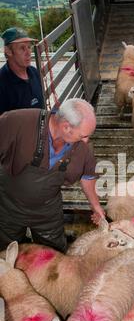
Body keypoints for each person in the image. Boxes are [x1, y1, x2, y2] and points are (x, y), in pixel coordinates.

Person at [0, 98, 105, 253]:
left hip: (47, 210)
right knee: (6, 252)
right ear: (66, 127)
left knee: (54, 253)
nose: (86, 140)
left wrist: (95, 206)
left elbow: (87, 175)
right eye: (83, 136)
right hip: (8, 206)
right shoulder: (16, 122)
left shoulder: (82, 148)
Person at [0, 27, 44, 115]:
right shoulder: (2, 83)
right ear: (8, 51)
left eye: (29, 47)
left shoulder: (34, 72)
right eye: (22, 48)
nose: (28, 53)